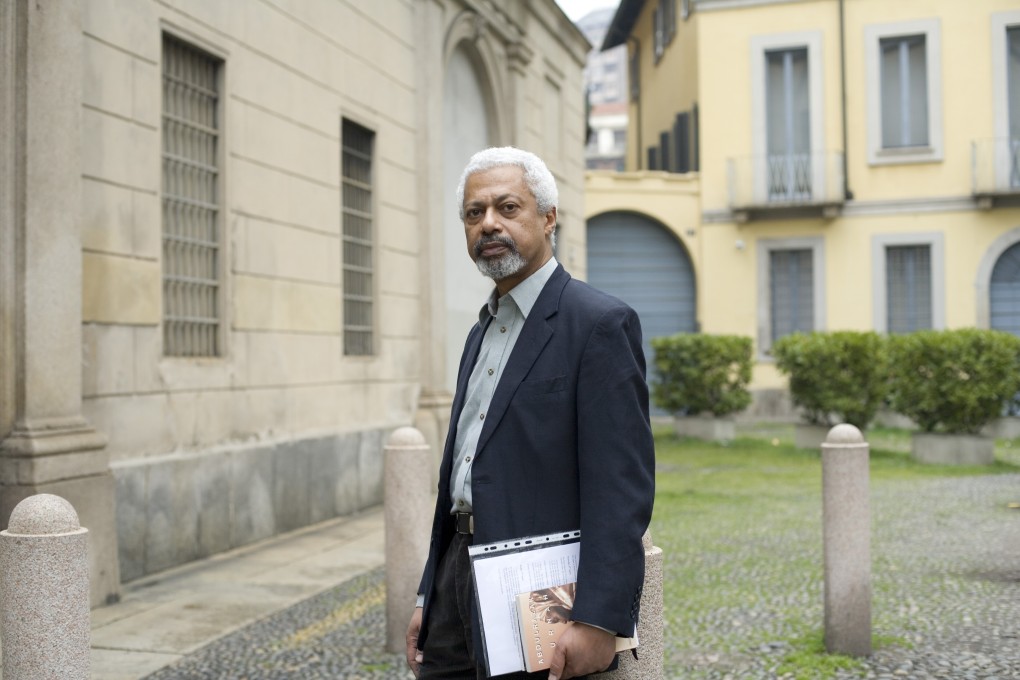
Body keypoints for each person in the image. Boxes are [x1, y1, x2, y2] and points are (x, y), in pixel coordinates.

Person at [405, 147, 655, 679]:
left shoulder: (598, 324)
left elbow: (621, 488)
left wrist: (598, 618)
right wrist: (429, 593)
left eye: (507, 207)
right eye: (474, 213)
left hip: (539, 589)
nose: (488, 224)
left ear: (548, 218)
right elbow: (460, 476)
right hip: (455, 576)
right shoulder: (479, 334)